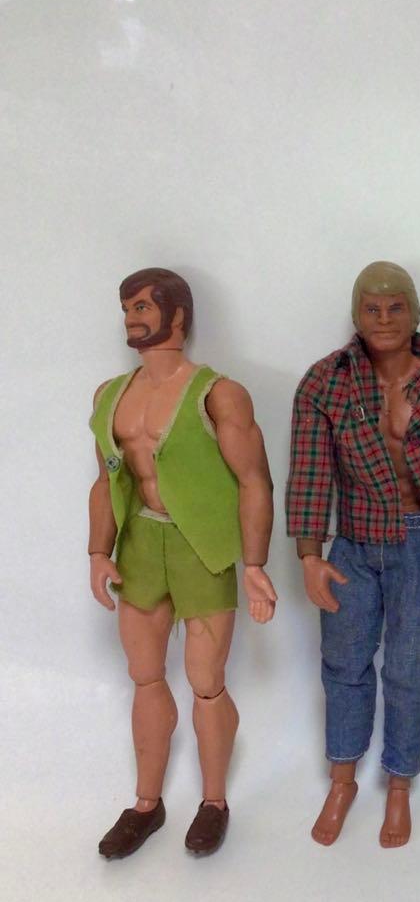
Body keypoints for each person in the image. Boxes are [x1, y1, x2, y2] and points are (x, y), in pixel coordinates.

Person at [286, 261, 420, 848]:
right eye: (371, 308)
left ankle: (400, 782)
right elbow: (310, 472)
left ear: (415, 312)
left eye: (395, 307)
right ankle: (342, 778)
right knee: (343, 663)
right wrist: (310, 554)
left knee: (409, 669)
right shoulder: (326, 383)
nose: (383, 319)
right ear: (356, 314)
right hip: (352, 543)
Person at [90, 267, 277, 858]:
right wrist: (97, 551)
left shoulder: (219, 394)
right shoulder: (110, 395)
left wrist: (254, 564)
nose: (132, 317)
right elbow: (106, 481)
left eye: (144, 306)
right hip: (140, 545)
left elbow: (255, 481)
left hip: (203, 547)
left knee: (206, 682)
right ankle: (146, 804)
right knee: (145, 676)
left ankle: (214, 801)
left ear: (178, 316)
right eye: (127, 307)